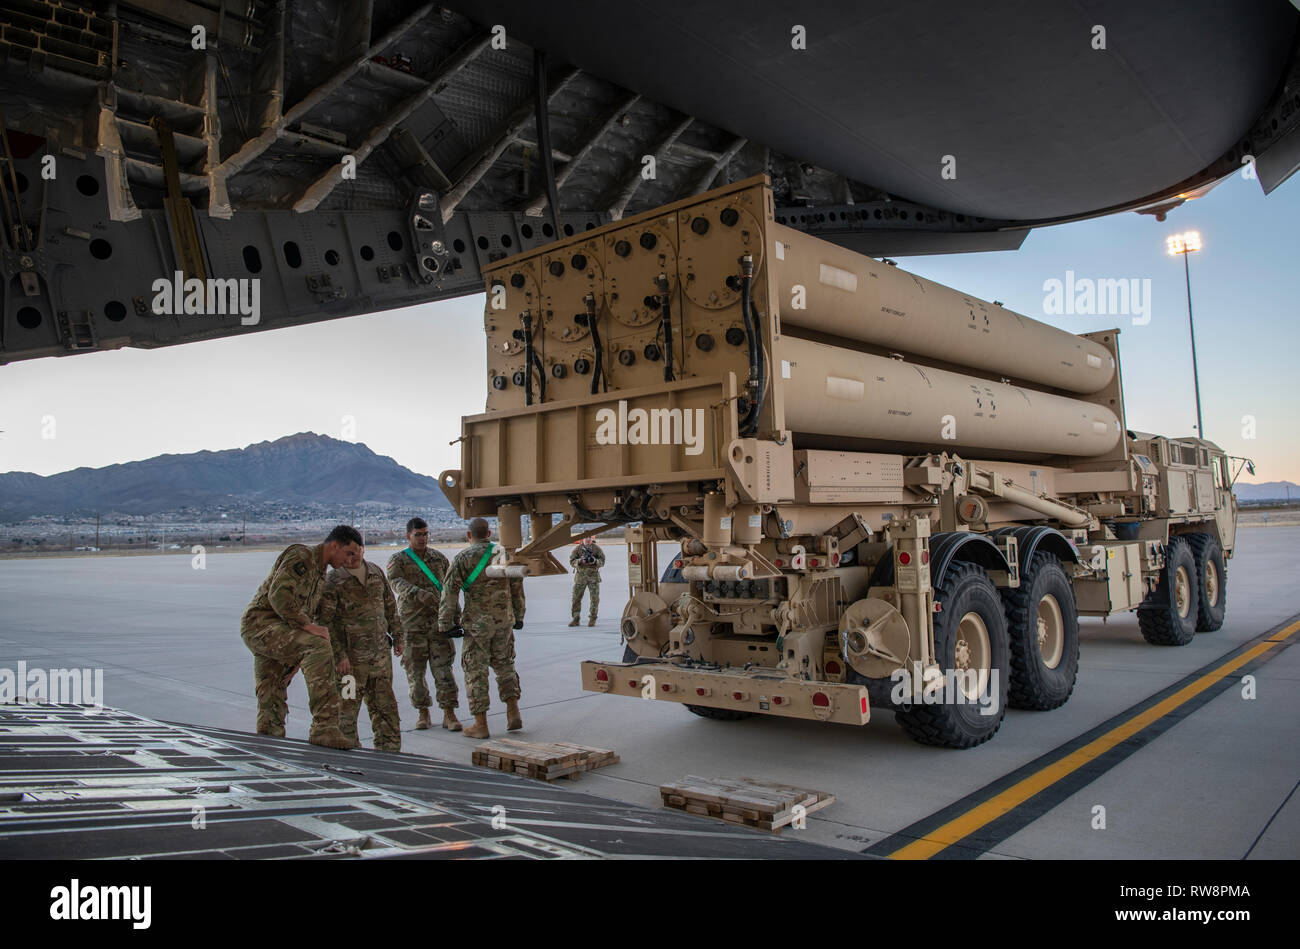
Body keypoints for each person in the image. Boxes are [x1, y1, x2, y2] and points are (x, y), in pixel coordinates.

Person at [239, 525, 360, 749]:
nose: (349, 561)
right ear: (334, 545)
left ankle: (269, 742)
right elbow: (279, 595)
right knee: (318, 646)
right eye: (348, 553)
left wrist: (296, 657)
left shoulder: (320, 572)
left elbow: (306, 610)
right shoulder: (301, 555)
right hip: (261, 625)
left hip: (279, 632)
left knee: (272, 689)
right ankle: (325, 728)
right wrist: (307, 626)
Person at [438, 517, 525, 739]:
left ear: (470, 536)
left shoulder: (462, 558)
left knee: (475, 672)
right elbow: (517, 586)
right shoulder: (503, 554)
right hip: (503, 621)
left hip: (477, 625)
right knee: (505, 665)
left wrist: (446, 623)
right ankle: (513, 711)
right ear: (489, 534)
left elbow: (449, 592)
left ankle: (480, 724)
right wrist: (519, 616)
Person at [321, 541, 403, 752]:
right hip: (350, 665)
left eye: (354, 553)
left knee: (386, 711)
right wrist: (339, 655)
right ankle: (348, 759)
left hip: (380, 660)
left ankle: (390, 756)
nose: (350, 559)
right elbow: (324, 621)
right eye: (346, 554)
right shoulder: (333, 580)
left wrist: (398, 635)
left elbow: (390, 605)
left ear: (362, 549)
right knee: (346, 712)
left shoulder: (375, 572)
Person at [386, 517, 462, 731]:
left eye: (425, 534)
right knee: (415, 674)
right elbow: (395, 582)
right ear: (408, 536)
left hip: (438, 625)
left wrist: (456, 617)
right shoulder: (398, 560)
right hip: (412, 626)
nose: (423, 538)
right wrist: (418, 594)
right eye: (418, 534)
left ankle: (449, 713)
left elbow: (450, 589)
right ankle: (423, 713)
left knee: (444, 672)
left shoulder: (438, 559)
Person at [568, 536, 605, 627]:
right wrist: (579, 561)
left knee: (594, 599)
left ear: (592, 539)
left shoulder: (597, 549)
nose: (588, 539)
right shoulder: (577, 549)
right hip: (580, 577)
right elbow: (572, 561)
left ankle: (592, 619)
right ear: (582, 539)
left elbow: (602, 561)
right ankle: (576, 619)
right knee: (576, 598)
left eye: (589, 537)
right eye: (585, 537)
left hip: (593, 577)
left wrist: (595, 561)